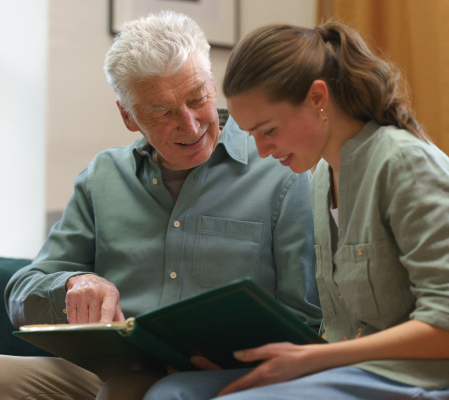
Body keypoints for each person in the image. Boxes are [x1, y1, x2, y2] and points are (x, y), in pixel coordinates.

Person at [0, 11, 321, 400]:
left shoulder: (280, 170)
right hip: (107, 371)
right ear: (128, 116)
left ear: (213, 84)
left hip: (224, 377)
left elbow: (305, 316)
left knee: (125, 391)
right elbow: (21, 293)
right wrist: (74, 284)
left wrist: (245, 365)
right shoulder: (103, 176)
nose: (191, 126)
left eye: (197, 97)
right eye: (162, 112)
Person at [143, 20, 449, 400]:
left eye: (268, 130)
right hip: (345, 369)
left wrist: (314, 359)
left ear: (318, 99)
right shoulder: (321, 176)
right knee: (172, 393)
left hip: (414, 378)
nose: (262, 151)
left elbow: (445, 324)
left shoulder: (404, 164)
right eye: (252, 135)